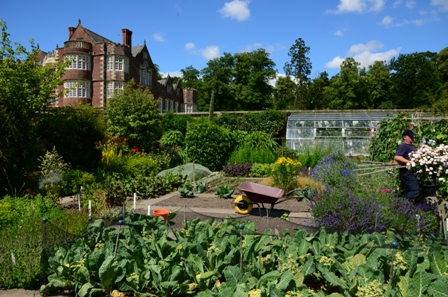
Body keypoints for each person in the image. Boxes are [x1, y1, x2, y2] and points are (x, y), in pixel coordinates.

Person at [394, 129, 420, 201]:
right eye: (410, 137)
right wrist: (409, 162)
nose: (412, 138)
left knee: (413, 191)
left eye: (413, 137)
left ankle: (406, 206)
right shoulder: (403, 146)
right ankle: (401, 204)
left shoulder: (412, 146)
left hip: (412, 173)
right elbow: (397, 157)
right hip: (407, 173)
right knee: (414, 191)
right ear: (404, 137)